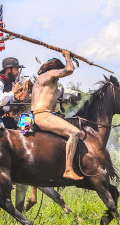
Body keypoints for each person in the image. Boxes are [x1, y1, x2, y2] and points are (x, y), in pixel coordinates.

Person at [30, 50, 83, 181]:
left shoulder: (41, 79)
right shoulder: (51, 74)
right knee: (75, 133)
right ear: (56, 69)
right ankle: (68, 170)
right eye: (59, 72)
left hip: (35, 117)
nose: (59, 77)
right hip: (42, 115)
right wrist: (67, 57)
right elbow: (69, 69)